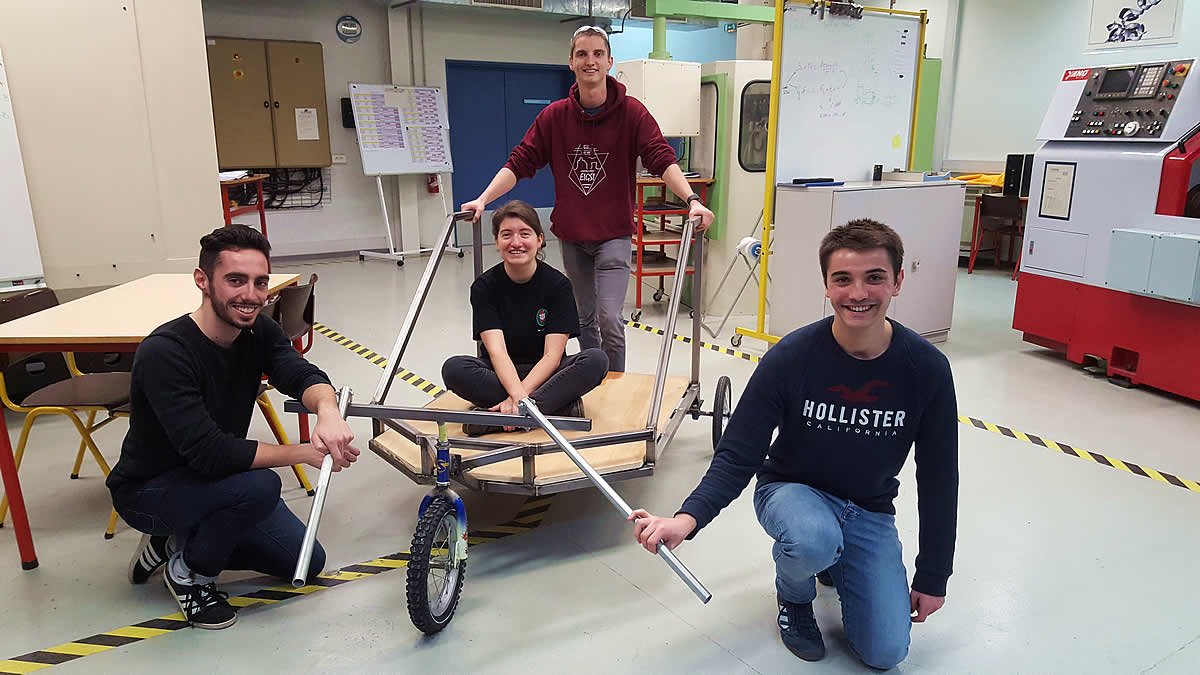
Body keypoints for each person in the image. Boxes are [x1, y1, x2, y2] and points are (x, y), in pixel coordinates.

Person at [630, 220, 959, 669]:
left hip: (868, 508)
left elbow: (940, 477)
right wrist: (687, 520)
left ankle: (831, 557)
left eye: (874, 277)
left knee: (885, 652)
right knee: (811, 538)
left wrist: (934, 574)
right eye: (843, 279)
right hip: (790, 491)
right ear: (826, 285)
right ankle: (795, 593)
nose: (858, 292)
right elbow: (739, 452)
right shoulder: (793, 356)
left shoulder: (926, 369)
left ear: (897, 281)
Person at [106, 224, 359, 630]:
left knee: (308, 562)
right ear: (202, 281)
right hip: (149, 489)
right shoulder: (165, 353)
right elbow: (209, 452)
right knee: (260, 486)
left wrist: (327, 412)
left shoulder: (258, 330)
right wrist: (305, 453)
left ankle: (173, 542)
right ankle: (189, 573)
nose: (251, 295)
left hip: (216, 482)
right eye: (236, 280)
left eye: (260, 282)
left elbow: (298, 372)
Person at [461, 25, 715, 373]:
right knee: (584, 319)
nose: (590, 61)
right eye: (582, 54)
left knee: (610, 318)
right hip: (573, 236)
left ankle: (618, 382)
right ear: (571, 62)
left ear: (610, 62)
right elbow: (519, 162)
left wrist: (691, 200)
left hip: (614, 234)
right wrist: (482, 198)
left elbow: (660, 157)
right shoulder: (554, 117)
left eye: (598, 54)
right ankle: (595, 378)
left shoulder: (632, 113)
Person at [442, 200, 608, 435]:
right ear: (497, 242)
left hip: (548, 373)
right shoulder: (484, 287)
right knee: (454, 369)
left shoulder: (558, 285)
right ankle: (556, 409)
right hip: (500, 373)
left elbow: (552, 356)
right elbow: (497, 352)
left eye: (524, 234)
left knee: (596, 360)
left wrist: (519, 399)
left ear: (539, 239)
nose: (516, 243)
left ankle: (494, 419)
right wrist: (519, 396)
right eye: (506, 235)